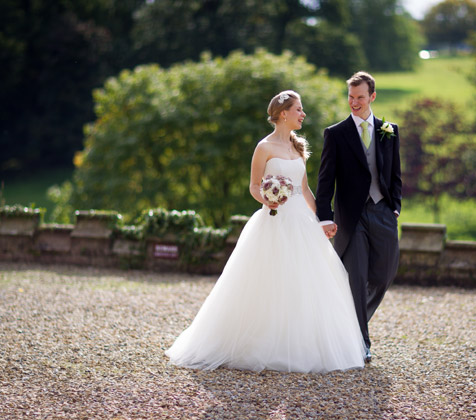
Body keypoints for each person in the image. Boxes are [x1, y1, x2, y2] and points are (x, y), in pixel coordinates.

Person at [165, 90, 366, 373]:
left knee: (306, 282)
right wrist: (268, 199)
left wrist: (321, 220)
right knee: (270, 280)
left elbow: (305, 189)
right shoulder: (264, 147)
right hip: (274, 221)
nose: (303, 114)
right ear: (283, 113)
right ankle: (258, 343)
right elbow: (254, 186)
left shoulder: (298, 147)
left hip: (302, 224)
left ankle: (301, 344)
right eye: (298, 109)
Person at [315, 72, 402, 362]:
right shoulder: (336, 134)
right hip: (350, 217)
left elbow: (395, 174)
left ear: (372, 97)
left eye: (360, 97)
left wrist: (396, 206)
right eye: (351, 97)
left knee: (384, 272)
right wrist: (324, 217)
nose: (354, 102)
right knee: (357, 278)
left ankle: (347, 319)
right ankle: (361, 341)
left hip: (382, 211)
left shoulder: (389, 130)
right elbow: (325, 180)